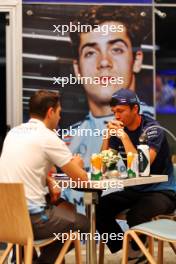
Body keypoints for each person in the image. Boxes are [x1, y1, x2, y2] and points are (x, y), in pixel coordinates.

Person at [62, 5, 154, 210]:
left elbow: (144, 172)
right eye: (91, 52)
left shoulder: (153, 128)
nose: (104, 61)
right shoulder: (65, 142)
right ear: (77, 69)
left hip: (134, 227)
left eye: (116, 49)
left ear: (137, 59)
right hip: (83, 235)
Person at [0, 90, 89, 264]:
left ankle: (27, 258)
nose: (60, 118)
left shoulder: (14, 133)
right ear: (50, 112)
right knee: (84, 223)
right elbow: (81, 179)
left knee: (65, 208)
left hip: (5, 217)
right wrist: (77, 162)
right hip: (32, 221)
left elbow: (21, 169)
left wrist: (47, 180)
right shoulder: (48, 137)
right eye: (59, 113)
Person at [96, 88, 176, 262]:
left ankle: (137, 252)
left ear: (135, 109)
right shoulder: (118, 131)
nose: (116, 116)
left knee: (136, 215)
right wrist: (107, 138)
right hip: (137, 188)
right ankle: (129, 249)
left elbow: (141, 167)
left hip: (163, 190)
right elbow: (104, 167)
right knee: (101, 207)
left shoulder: (153, 129)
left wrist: (123, 138)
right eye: (114, 112)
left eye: (120, 111)